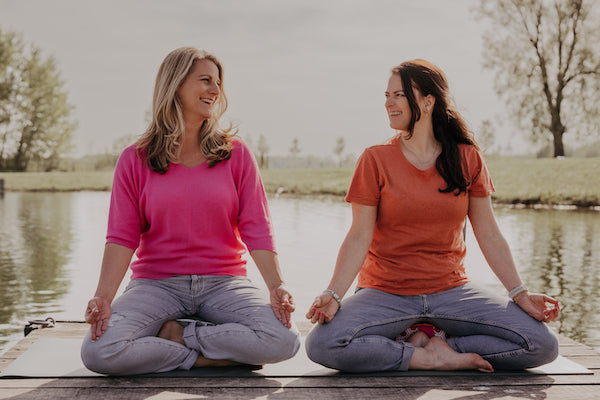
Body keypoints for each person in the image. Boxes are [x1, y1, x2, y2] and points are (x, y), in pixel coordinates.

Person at [305, 59, 560, 373]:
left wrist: (519, 294)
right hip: (386, 292)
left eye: (398, 95)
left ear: (428, 102)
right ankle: (421, 355)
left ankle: (444, 347)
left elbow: (489, 234)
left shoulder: (468, 159)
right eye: (386, 95)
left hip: (452, 291)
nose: (388, 102)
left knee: (542, 344)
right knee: (322, 344)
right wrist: (333, 294)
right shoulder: (375, 160)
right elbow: (359, 235)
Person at [81, 47, 300, 375]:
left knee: (284, 340)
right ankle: (205, 356)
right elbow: (122, 236)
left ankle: (180, 335)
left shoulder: (235, 154)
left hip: (224, 283)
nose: (215, 90)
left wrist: (276, 285)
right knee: (99, 352)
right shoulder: (135, 158)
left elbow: (256, 227)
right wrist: (103, 297)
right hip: (155, 284)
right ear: (176, 85)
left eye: (218, 82)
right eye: (205, 80)